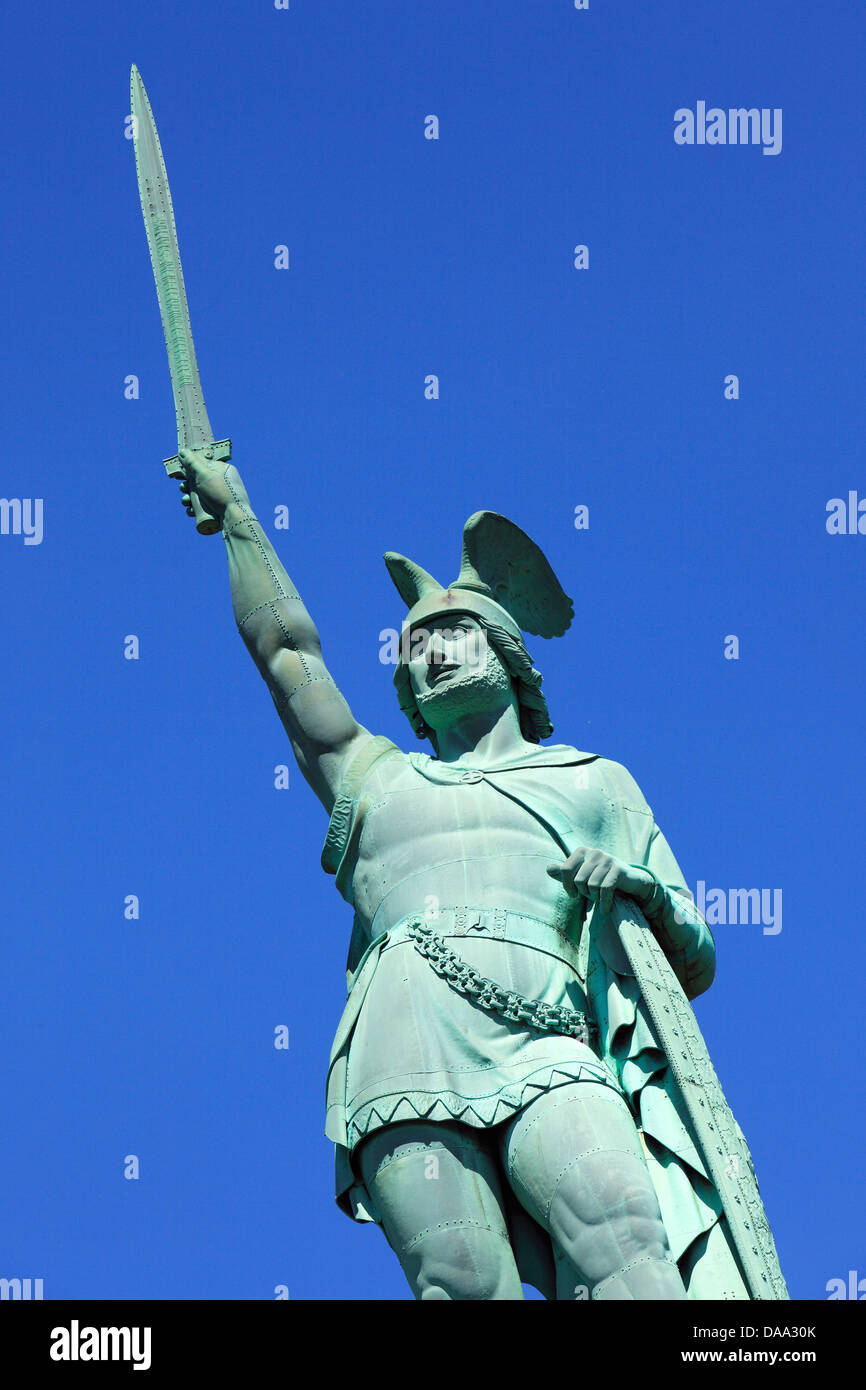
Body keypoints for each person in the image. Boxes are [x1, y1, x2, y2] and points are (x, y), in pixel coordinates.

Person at [174, 447, 787, 1301]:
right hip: (404, 1040)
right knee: (460, 1282)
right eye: (414, 646)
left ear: (507, 655)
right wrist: (238, 518)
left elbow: (694, 951)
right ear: (406, 690)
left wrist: (635, 887)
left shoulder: (593, 781)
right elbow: (286, 653)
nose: (433, 654)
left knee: (626, 1242)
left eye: (454, 633)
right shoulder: (375, 780)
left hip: (552, 1037)